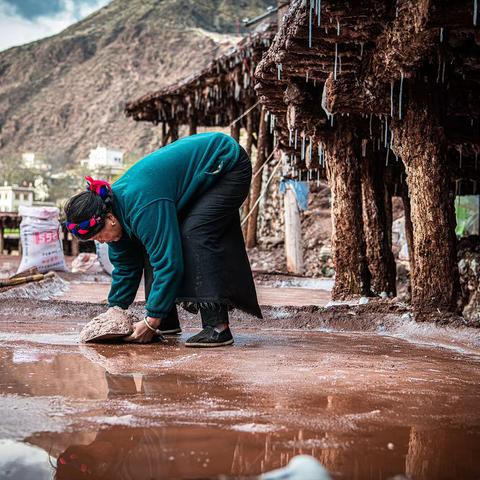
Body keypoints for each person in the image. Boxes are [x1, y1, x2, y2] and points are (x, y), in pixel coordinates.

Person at [64, 132, 261, 346]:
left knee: (194, 234)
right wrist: (115, 311)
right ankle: (167, 320)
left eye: (98, 235)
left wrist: (150, 322)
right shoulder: (114, 213)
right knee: (153, 243)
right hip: (194, 179)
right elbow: (125, 268)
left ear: (109, 218)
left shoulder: (142, 206)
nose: (100, 241)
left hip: (224, 165)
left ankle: (217, 328)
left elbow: (168, 263)